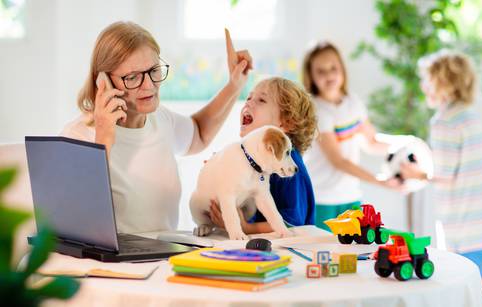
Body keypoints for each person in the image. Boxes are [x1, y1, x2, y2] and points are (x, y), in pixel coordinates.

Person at [61, 22, 251, 233]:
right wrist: (104, 137)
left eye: (153, 70)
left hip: (165, 259)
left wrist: (234, 85)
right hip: (112, 264)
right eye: (132, 77)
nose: (149, 85)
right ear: (103, 81)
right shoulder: (76, 136)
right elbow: (73, 220)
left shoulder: (160, 120)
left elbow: (198, 133)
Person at [401, 50, 482, 300]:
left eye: (428, 80)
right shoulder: (470, 115)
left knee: (460, 286)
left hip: (463, 227)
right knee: (480, 282)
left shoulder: (444, 121)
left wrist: (415, 173)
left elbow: (444, 174)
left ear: (443, 84)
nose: (424, 86)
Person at [301, 41, 399, 230]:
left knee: (354, 254)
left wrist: (405, 143)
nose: (329, 75)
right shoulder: (316, 110)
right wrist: (380, 181)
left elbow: (372, 142)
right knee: (324, 256)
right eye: (320, 71)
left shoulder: (353, 103)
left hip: (351, 197)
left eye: (333, 68)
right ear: (311, 76)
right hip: (322, 199)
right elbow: (338, 161)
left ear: (342, 69)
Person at [209, 77, 318, 234]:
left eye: (261, 100)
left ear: (285, 123)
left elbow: (294, 225)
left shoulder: (289, 168)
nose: (249, 103)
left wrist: (246, 228)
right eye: (249, 97)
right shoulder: (253, 161)